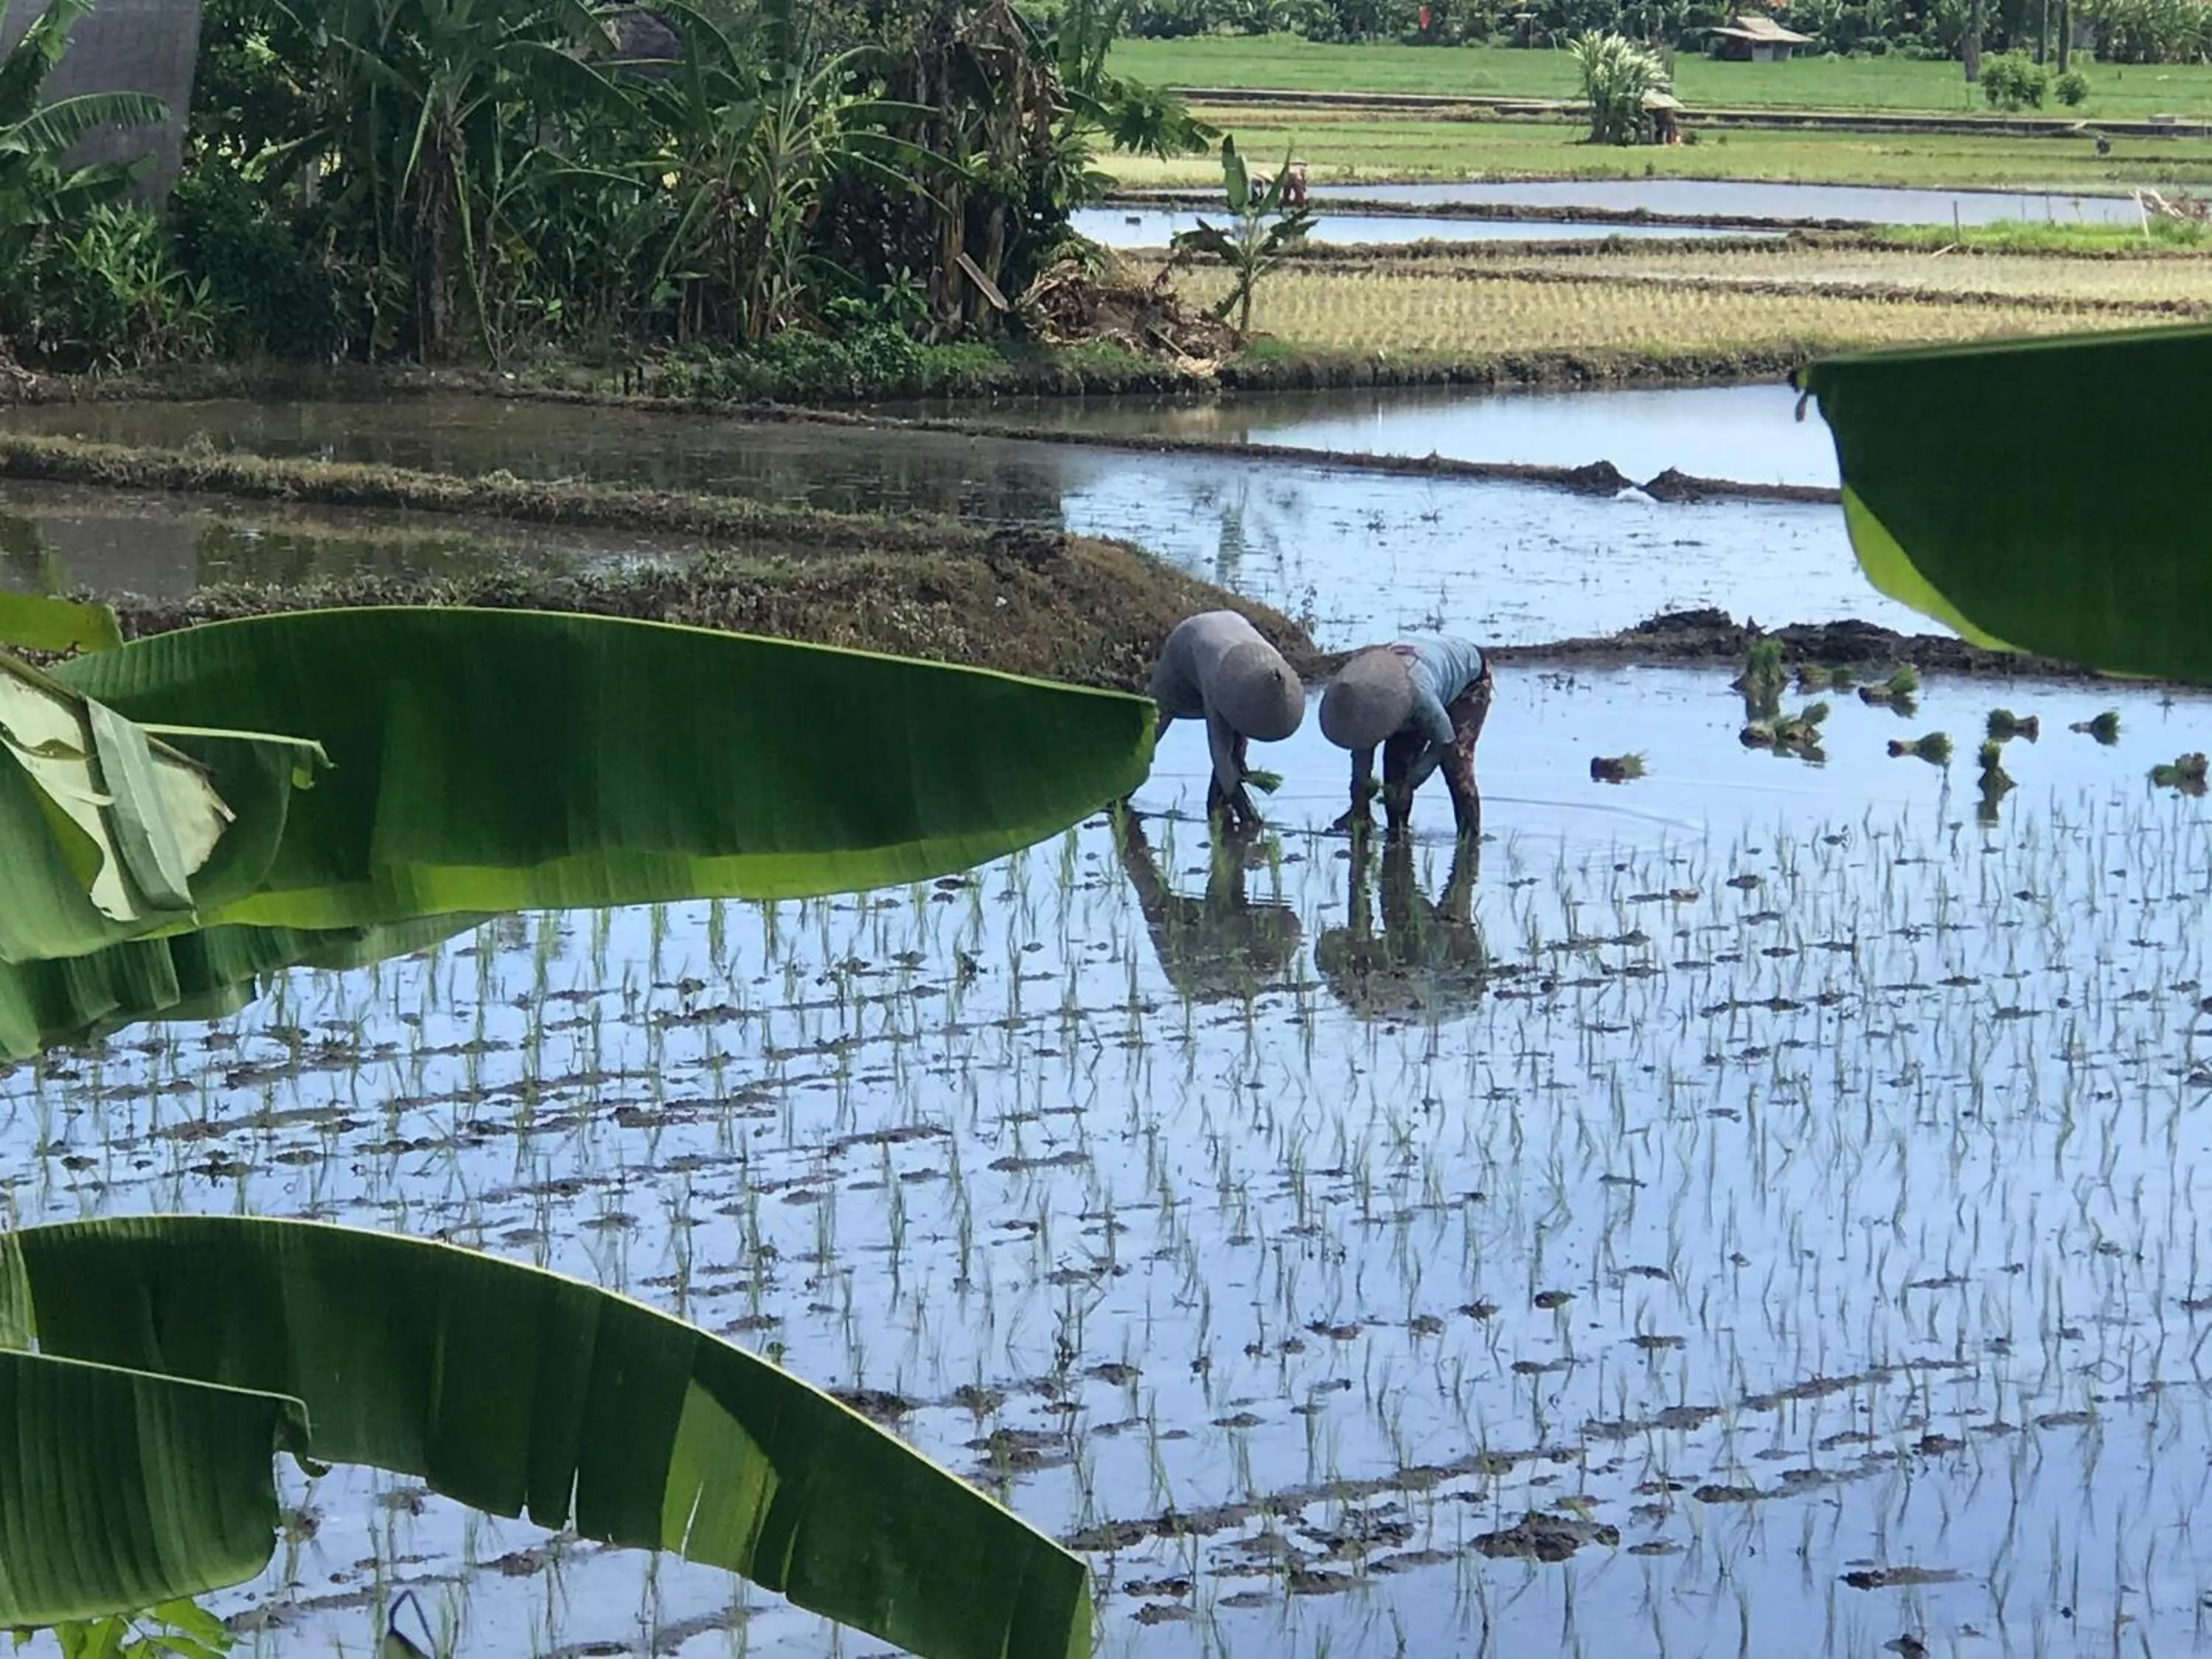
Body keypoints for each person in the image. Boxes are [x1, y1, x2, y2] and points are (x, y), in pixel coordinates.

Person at [1318, 634, 1491, 839]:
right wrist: (1360, 803)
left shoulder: (1420, 696)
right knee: (1395, 771)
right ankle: (1397, 840)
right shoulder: (1364, 700)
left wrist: (1413, 782)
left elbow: (1445, 740)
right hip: (1425, 668)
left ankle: (1470, 842)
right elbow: (1362, 749)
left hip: (1469, 682)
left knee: (1456, 766)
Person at [1150, 611, 1304, 833]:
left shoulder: (1269, 671)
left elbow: (1246, 723)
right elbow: (1219, 751)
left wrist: (1240, 760)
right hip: (1188, 644)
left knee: (1235, 750)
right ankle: (1121, 789)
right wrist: (1246, 809)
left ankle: (1217, 806)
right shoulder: (1218, 680)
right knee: (1156, 721)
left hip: (1233, 634)